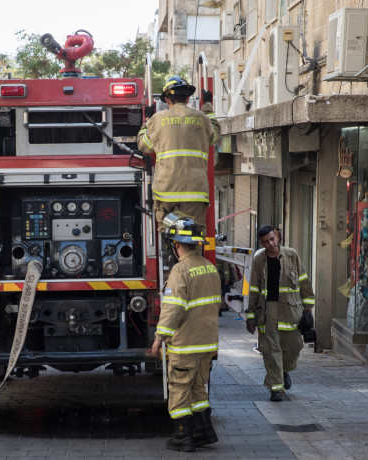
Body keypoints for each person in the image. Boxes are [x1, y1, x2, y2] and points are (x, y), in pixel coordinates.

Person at [151, 212, 220, 452]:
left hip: (186, 343)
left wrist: (160, 338)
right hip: (207, 343)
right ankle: (204, 432)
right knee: (198, 387)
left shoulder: (181, 271)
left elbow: (174, 309)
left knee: (179, 387)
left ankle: (183, 437)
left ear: (176, 245)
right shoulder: (210, 267)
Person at [137, 76, 220, 234]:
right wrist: (208, 107)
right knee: (193, 235)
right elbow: (215, 136)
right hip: (195, 194)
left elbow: (143, 146)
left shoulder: (157, 119)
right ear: (188, 98)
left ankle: (171, 254)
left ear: (167, 100)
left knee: (168, 233)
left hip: (166, 193)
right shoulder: (202, 119)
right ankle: (191, 257)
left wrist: (146, 120)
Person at [246, 225, 315, 402]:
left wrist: (308, 308)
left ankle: (285, 371)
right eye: (265, 242)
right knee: (271, 351)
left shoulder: (291, 255)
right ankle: (276, 389)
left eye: (272, 239)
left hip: (291, 311)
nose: (270, 244)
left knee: (292, 348)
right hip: (267, 312)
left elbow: (303, 282)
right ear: (261, 243)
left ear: (277, 237)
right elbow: (253, 288)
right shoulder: (259, 260)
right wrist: (251, 316)